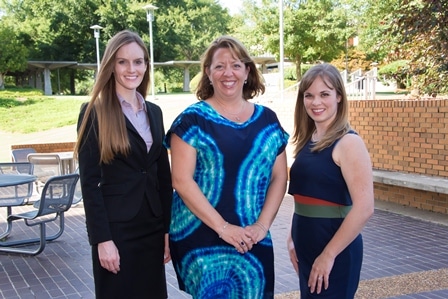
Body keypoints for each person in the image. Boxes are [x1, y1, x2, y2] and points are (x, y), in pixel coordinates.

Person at [164, 36, 289, 299]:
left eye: (235, 65)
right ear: (208, 73)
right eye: (219, 66)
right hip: (204, 236)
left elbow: (280, 177)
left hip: (253, 235)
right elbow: (181, 181)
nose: (227, 73)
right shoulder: (191, 121)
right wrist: (223, 228)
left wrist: (262, 226)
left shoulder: (268, 121)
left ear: (247, 71)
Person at [74, 30, 172, 299]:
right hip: (116, 230)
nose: (132, 69)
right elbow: (90, 184)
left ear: (146, 65)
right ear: (111, 66)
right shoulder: (94, 112)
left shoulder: (154, 111)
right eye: (123, 62)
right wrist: (102, 240)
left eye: (138, 61)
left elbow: (163, 176)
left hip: (152, 227)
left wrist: (167, 230)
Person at [286, 63, 374, 298]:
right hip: (306, 247)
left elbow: (364, 208)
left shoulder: (349, 143)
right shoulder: (309, 139)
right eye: (309, 95)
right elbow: (304, 198)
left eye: (324, 94)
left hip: (335, 250)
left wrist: (328, 255)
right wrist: (291, 237)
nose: (316, 102)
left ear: (339, 97)